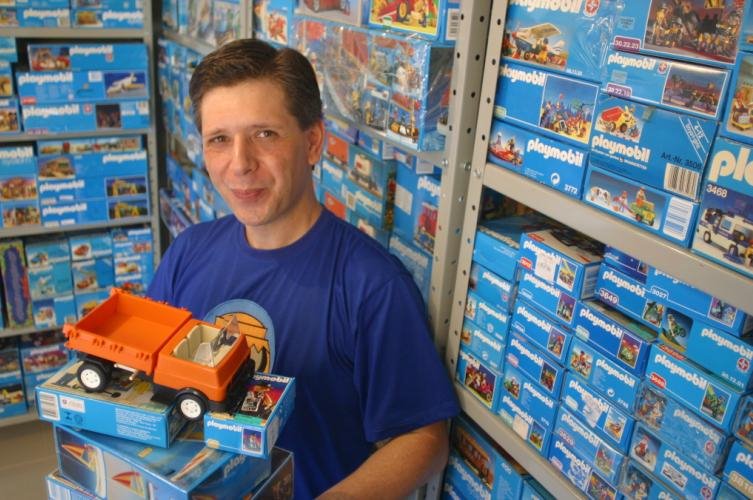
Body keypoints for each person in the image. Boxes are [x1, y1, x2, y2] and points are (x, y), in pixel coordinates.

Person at [147, 38, 460, 498]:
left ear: (313, 142)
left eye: (264, 135)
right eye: (219, 140)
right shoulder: (188, 251)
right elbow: (147, 372)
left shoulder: (371, 284)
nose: (240, 164)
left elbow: (424, 439)